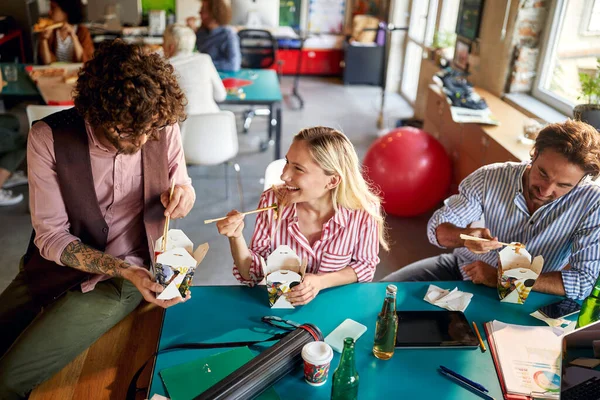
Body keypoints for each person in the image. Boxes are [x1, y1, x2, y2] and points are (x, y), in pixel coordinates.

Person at [0, 40, 195, 398]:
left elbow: (182, 181)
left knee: (8, 380)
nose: (140, 141)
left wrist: (183, 195)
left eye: (149, 130)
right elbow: (51, 237)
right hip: (54, 265)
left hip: (128, 276)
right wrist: (118, 267)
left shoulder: (159, 124)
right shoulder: (48, 137)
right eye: (125, 131)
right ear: (95, 110)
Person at [382, 119, 600, 301]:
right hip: (464, 269)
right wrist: (464, 238)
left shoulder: (593, 203)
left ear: (582, 180)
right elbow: (437, 229)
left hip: (531, 294)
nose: (546, 190)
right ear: (534, 154)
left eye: (563, 185)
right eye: (543, 174)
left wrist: (502, 278)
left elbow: (582, 282)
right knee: (381, 293)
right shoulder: (490, 177)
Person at [216, 127, 388, 305]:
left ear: (332, 181)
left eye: (298, 169)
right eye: (287, 162)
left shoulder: (364, 211)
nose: (284, 175)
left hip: (334, 306)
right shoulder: (271, 201)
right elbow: (252, 274)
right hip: (281, 308)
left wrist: (321, 282)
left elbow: (365, 266)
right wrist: (235, 237)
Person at [163, 23, 226, 115]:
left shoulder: (165, 67)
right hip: (215, 123)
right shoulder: (205, 59)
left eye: (163, 42)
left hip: (184, 126)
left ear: (171, 47)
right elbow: (221, 95)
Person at [186, 0, 241, 71]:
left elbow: (233, 65)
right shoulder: (201, 33)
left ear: (214, 13)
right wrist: (189, 32)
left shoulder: (228, 35)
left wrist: (202, 63)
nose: (199, 12)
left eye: (203, 10)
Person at [38, 0, 94, 65]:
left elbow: (84, 60)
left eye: (53, 8)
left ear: (66, 11)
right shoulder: (51, 32)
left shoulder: (82, 31)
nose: (49, 12)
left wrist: (73, 37)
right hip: (57, 73)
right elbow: (47, 62)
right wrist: (43, 39)